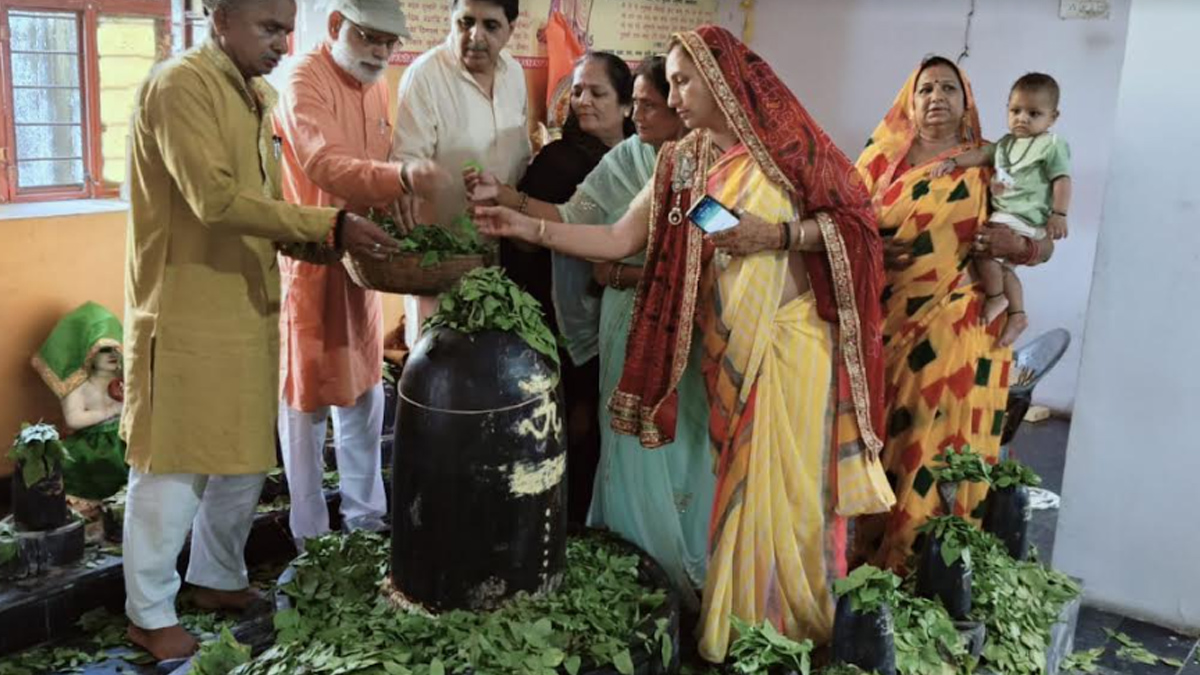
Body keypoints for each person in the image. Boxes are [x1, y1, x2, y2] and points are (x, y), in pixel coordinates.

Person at [474, 26, 894, 662]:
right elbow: (618, 238)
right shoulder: (685, 163)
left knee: (792, 497)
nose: (673, 96)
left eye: (682, 81)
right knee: (741, 496)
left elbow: (857, 225)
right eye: (669, 83)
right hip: (730, 353)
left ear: (723, 79)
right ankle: (747, 628)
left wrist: (778, 236)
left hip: (793, 347)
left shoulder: (786, 148)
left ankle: (801, 625)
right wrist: (526, 226)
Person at [120, 0, 398, 660]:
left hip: (248, 308)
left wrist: (331, 242)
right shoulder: (180, 86)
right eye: (268, 28)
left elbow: (265, 209)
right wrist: (328, 225)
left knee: (240, 459)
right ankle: (148, 612)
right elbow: (215, 201)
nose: (281, 43)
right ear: (219, 17)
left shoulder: (253, 95)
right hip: (186, 313)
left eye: (286, 29)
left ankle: (216, 576)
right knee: (173, 466)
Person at [469, 55, 711, 603]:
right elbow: (584, 222)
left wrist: (629, 273)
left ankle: (689, 570)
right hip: (629, 323)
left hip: (693, 327)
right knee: (627, 446)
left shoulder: (712, 167)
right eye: (640, 102)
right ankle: (638, 570)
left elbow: (721, 249)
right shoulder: (633, 159)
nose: (643, 113)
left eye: (654, 103)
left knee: (689, 443)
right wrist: (512, 210)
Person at [852, 57, 1054, 573]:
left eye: (948, 88)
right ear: (909, 100)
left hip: (960, 330)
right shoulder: (876, 162)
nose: (936, 97)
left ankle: (930, 569)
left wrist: (1020, 247)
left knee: (934, 447)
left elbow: (1042, 239)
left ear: (967, 102)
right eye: (925, 89)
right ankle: (874, 558)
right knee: (882, 443)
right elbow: (839, 230)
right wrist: (869, 247)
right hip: (884, 324)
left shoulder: (992, 163)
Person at [273, 0, 447, 547]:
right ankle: (311, 541)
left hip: (364, 266)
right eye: (369, 37)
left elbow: (379, 165)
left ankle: (365, 523)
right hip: (311, 261)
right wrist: (404, 177)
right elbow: (325, 164)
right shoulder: (303, 78)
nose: (380, 52)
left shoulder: (375, 85)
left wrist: (401, 193)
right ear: (335, 26)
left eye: (389, 43)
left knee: (366, 396)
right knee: (305, 407)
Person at [471, 51, 635, 525]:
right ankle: (563, 522)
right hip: (564, 313)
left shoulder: (640, 156)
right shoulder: (558, 158)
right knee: (572, 420)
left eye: (597, 92)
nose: (583, 101)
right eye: (577, 91)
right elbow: (531, 240)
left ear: (626, 105)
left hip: (624, 309)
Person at [390, 0, 530, 350]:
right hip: (442, 262)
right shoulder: (425, 76)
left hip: (505, 259)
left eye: (490, 25)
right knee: (437, 364)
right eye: (465, 22)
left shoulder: (514, 74)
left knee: (495, 364)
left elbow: (521, 156)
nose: (475, 36)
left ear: (511, 29)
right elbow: (406, 166)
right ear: (451, 20)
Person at [931, 72, 1072, 346]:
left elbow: (1062, 180)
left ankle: (996, 298)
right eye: (1015, 111)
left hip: (1023, 219)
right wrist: (954, 162)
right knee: (1004, 270)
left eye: (1034, 113)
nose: (1022, 119)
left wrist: (1059, 214)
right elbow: (981, 155)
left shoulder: (1051, 145)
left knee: (981, 249)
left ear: (1052, 118)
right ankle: (1017, 315)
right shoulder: (1005, 144)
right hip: (1006, 217)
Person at [31, 301, 127, 500]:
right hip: (90, 445)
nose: (112, 355)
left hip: (122, 438)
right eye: (103, 349)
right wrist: (109, 411)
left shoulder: (123, 379)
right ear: (87, 351)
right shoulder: (78, 385)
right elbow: (73, 419)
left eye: (115, 348)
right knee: (78, 467)